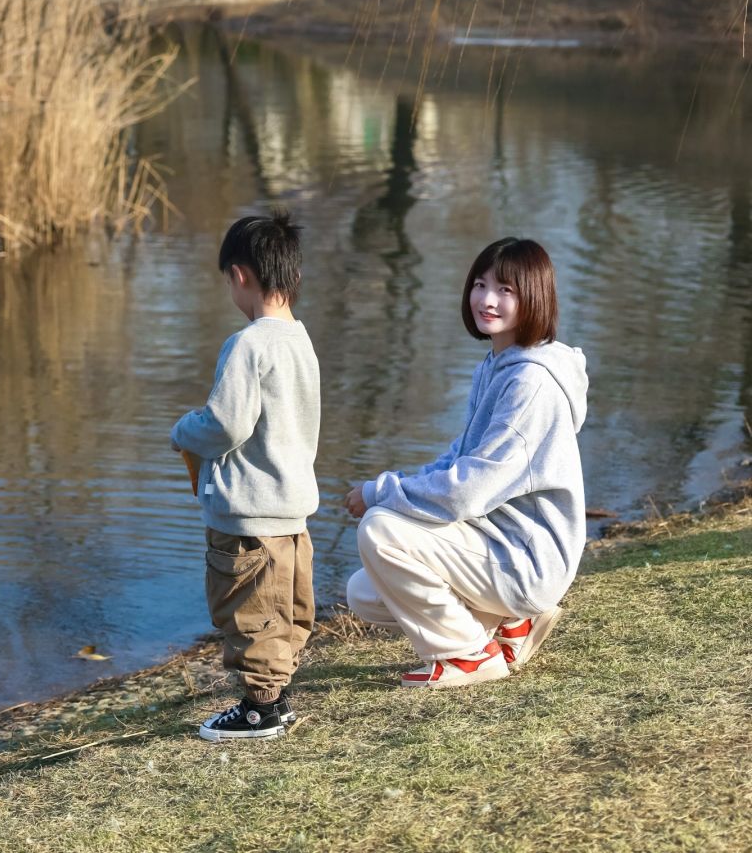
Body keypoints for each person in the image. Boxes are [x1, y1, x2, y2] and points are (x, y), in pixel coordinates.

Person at [344, 237, 587, 689]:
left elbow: (468, 490)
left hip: (526, 557)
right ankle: (513, 622)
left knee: (379, 530)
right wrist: (400, 486)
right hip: (496, 543)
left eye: (506, 290)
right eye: (480, 284)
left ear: (534, 296)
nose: (487, 299)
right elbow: (461, 457)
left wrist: (382, 493)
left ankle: (469, 655)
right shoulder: (497, 365)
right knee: (365, 592)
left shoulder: (531, 382)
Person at [171, 209, 321, 740]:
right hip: (291, 510)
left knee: (246, 610)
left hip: (248, 514)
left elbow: (226, 424)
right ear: (292, 275)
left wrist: (185, 430)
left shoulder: (248, 344)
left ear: (239, 275)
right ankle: (276, 699)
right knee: (284, 607)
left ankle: (260, 710)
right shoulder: (300, 341)